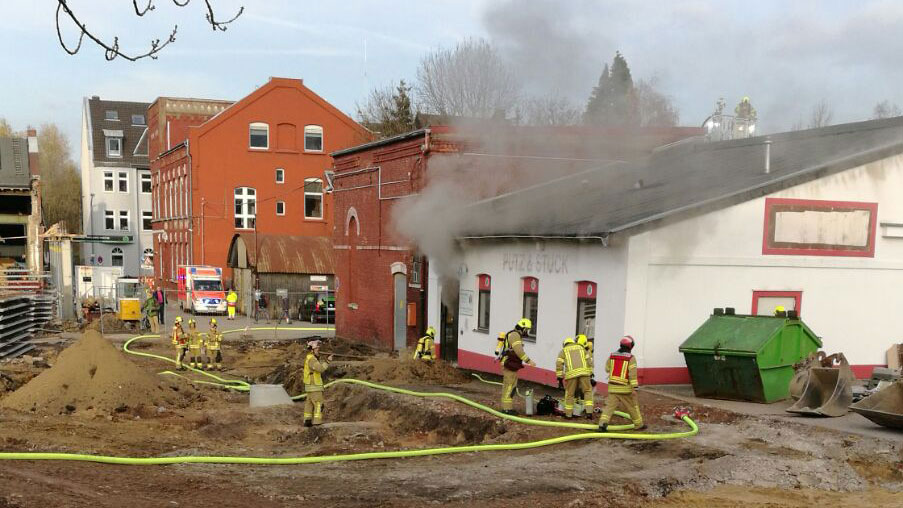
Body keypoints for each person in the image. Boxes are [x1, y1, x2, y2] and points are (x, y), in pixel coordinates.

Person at [598, 336, 645, 432]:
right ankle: (638, 425)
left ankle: (602, 424)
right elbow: (632, 374)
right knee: (632, 407)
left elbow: (607, 369)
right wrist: (634, 388)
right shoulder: (631, 358)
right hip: (625, 389)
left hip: (612, 388)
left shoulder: (612, 356)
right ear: (630, 346)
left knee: (609, 407)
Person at [500, 318, 536, 415]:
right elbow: (519, 351)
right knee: (510, 386)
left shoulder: (513, 334)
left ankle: (506, 407)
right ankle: (507, 409)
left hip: (510, 364)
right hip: (509, 364)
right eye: (527, 330)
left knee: (509, 386)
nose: (527, 332)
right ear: (523, 328)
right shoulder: (515, 335)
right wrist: (529, 361)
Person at [555, 337, 594, 419]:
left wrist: (559, 378)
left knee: (570, 394)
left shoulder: (563, 351)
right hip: (584, 373)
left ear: (565, 344)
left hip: (571, 374)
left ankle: (568, 415)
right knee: (587, 391)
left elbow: (559, 365)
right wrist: (590, 373)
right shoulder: (581, 348)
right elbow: (589, 361)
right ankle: (589, 413)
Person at [303, 340, 333, 427]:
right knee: (319, 404)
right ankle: (317, 422)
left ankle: (307, 421)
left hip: (310, 386)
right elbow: (320, 369)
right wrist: (327, 361)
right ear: (312, 350)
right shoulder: (312, 359)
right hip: (314, 386)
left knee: (309, 404)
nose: (318, 351)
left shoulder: (310, 358)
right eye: (317, 349)